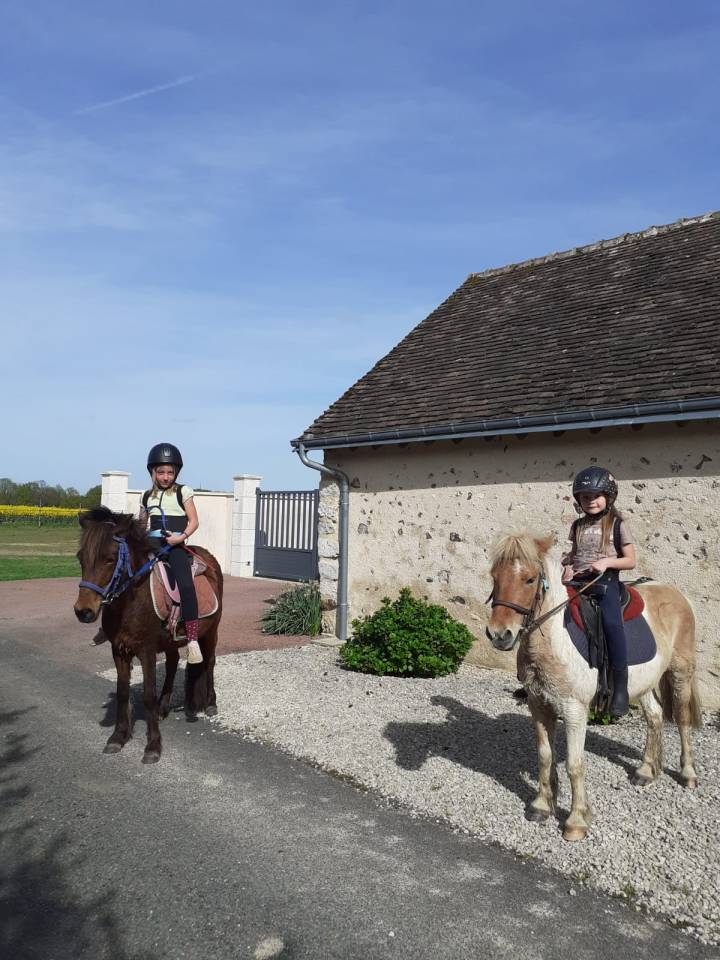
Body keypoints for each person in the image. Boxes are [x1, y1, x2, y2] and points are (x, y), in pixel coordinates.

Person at [561, 466, 636, 718]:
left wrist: (606, 562)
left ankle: (621, 689)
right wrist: (568, 566)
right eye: (585, 496)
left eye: (596, 495)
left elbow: (630, 560)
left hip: (605, 585)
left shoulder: (617, 524)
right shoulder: (578, 525)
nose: (591, 500)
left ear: (609, 496)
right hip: (578, 583)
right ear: (578, 500)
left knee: (612, 624)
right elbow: (574, 554)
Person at [140, 443, 202, 664]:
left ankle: (192, 640)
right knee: (126, 572)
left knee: (186, 584)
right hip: (152, 544)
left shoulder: (183, 492)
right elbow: (141, 524)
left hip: (174, 545)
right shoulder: (146, 496)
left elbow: (194, 521)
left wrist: (180, 537)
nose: (165, 477)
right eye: (161, 472)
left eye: (170, 472)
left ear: (176, 473)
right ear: (153, 472)